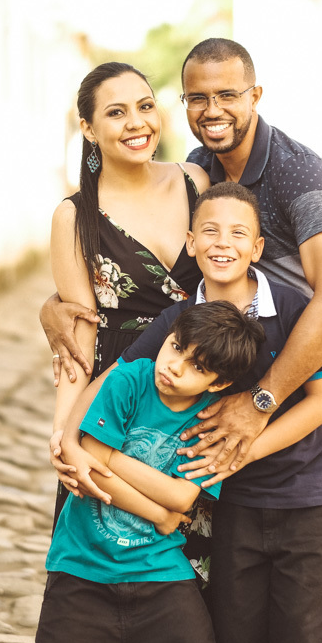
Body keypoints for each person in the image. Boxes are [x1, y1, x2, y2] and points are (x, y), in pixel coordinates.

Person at [42, 39, 322, 643]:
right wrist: (54, 315)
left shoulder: (291, 174)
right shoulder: (199, 169)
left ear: (255, 95)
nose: (212, 109)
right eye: (198, 97)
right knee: (202, 582)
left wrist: (261, 402)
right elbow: (93, 302)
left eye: (227, 95)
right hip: (169, 387)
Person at [59, 183, 322, 643]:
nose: (222, 243)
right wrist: (70, 438)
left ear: (257, 248)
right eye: (210, 231)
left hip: (307, 494)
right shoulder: (178, 322)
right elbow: (112, 376)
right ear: (191, 242)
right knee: (236, 642)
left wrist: (239, 452)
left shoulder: (292, 308)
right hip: (230, 506)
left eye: (238, 233)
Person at [32, 300, 264, 643]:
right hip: (81, 563)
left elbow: (181, 498)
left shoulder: (210, 422)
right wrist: (159, 514)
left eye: (197, 366)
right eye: (176, 347)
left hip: (160, 570)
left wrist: (109, 456)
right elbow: (89, 469)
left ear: (219, 382)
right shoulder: (128, 381)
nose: (174, 366)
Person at [46, 61, 210, 525]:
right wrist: (63, 430)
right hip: (118, 390)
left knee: (195, 536)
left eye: (145, 107)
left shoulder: (195, 183)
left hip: (195, 382)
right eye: (116, 113)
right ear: (88, 128)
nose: (137, 123)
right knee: (107, 529)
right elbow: (78, 334)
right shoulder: (74, 217)